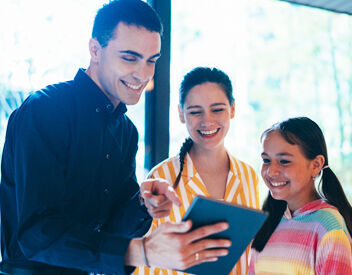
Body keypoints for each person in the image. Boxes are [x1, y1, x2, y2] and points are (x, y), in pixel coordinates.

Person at [0, 1, 231, 274]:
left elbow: (112, 231)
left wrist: (143, 204)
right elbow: (36, 234)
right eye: (130, 58)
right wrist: (142, 252)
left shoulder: (126, 132)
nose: (143, 74)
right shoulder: (45, 111)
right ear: (95, 50)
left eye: (151, 61)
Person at [134, 67, 260, 275]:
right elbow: (146, 261)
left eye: (217, 109)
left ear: (233, 109)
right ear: (181, 114)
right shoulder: (161, 178)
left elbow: (249, 256)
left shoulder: (248, 176)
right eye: (195, 112)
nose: (207, 120)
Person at [248, 117, 352, 274]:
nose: (271, 171)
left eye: (284, 161)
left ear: (315, 165)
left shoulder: (328, 226)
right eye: (266, 160)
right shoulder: (269, 223)